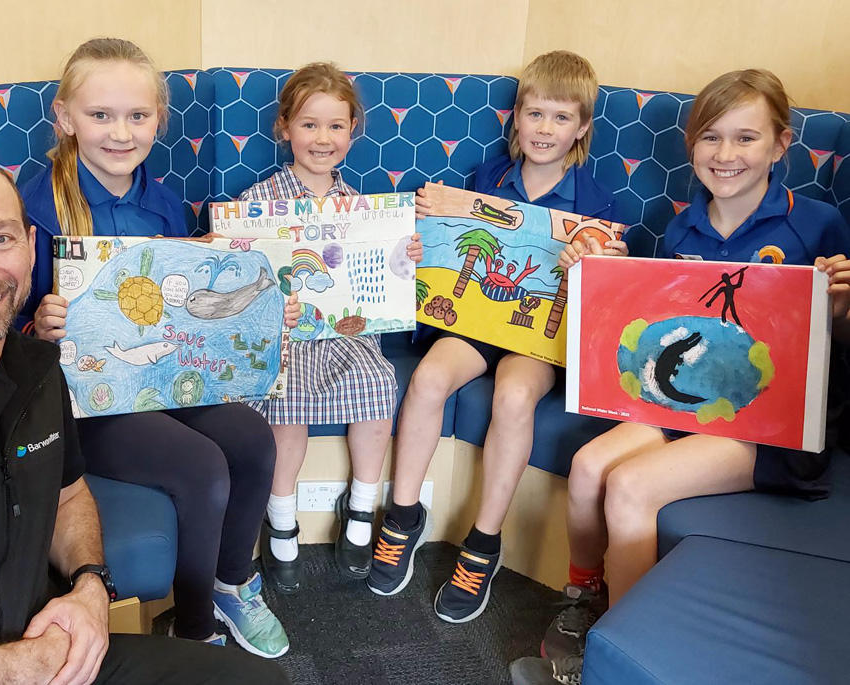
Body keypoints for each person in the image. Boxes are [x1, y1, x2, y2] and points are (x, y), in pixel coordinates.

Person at [0, 151, 288, 685]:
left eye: (0, 238)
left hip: (58, 657)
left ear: (30, 247)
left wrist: (91, 585)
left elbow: (67, 494)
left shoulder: (37, 369)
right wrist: (14, 668)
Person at [510, 68, 850, 685]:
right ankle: (586, 602)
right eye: (710, 138)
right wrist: (602, 274)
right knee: (589, 467)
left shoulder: (818, 226)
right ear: (691, 145)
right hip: (687, 407)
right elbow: (660, 331)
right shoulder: (682, 229)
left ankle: (617, 653)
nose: (725, 155)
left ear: (779, 145)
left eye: (746, 139)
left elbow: (836, 353)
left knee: (633, 487)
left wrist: (842, 315)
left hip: (772, 430)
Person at [19, 38, 292, 658]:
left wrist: (268, 310)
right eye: (101, 115)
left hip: (161, 378)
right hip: (83, 402)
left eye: (138, 116)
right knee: (201, 467)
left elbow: (194, 310)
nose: (121, 132)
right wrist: (39, 324)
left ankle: (232, 583)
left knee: (252, 438)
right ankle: (193, 627)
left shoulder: (167, 205)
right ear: (65, 118)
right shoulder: (34, 210)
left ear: (158, 122)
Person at [369, 51, 622, 624]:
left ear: (582, 127)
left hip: (537, 338)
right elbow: (447, 248)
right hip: (479, 323)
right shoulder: (489, 178)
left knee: (513, 396)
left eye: (561, 118)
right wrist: (428, 223)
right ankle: (402, 515)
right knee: (429, 378)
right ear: (516, 119)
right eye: (534, 114)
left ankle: (483, 542)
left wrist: (600, 258)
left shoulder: (598, 203)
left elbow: (604, 298)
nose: (545, 129)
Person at [240, 62, 423, 593]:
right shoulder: (258, 202)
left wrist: (403, 254)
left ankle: (362, 508)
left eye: (336, 126)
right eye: (310, 124)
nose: (323, 138)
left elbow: (385, 280)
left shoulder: (364, 207)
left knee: (378, 383)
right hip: (289, 340)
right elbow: (245, 273)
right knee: (286, 394)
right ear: (285, 128)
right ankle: (281, 513)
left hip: (348, 334)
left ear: (353, 131)